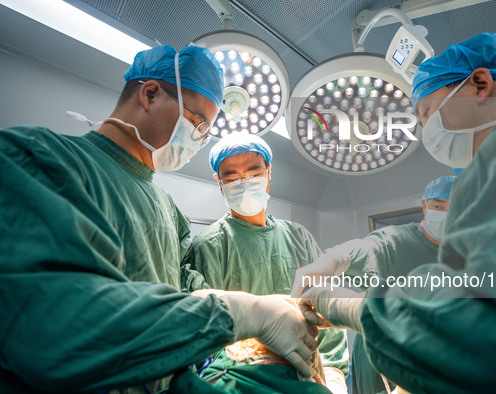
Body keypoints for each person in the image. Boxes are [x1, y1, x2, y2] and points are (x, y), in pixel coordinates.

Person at [0, 45, 316, 393]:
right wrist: (243, 312)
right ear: (150, 93)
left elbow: (184, 303)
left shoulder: (167, 209)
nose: (198, 141)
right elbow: (55, 329)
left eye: (205, 133)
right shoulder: (38, 160)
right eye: (197, 124)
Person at [295, 32, 496, 393]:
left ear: (480, 83)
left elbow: (495, 330)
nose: (425, 131)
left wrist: (352, 307)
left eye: (427, 112)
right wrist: (338, 261)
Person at [181, 132, 349, 393]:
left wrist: (334, 373)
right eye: (232, 177)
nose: (245, 182)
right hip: (246, 381)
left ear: (269, 173)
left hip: (311, 375)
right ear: (219, 183)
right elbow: (209, 327)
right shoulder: (208, 246)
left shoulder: (298, 236)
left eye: (254, 172)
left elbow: (324, 308)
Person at [339, 175, 456, 394]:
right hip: (378, 348)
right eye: (438, 206)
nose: (445, 214)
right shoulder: (396, 239)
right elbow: (366, 250)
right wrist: (336, 258)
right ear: (424, 205)